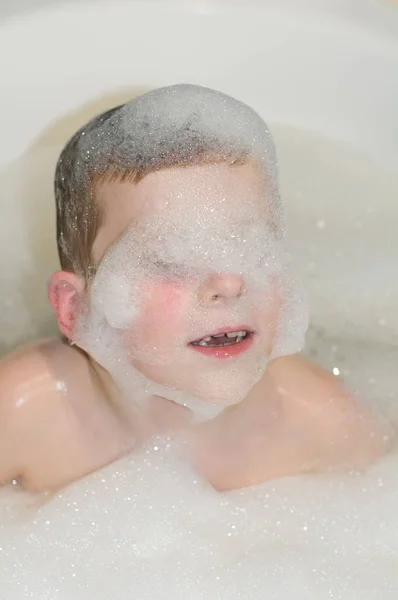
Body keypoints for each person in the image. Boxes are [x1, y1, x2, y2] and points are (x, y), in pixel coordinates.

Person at [0, 85, 392, 492]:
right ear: (75, 310)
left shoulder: (323, 420)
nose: (229, 282)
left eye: (249, 248)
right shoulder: (24, 410)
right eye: (173, 258)